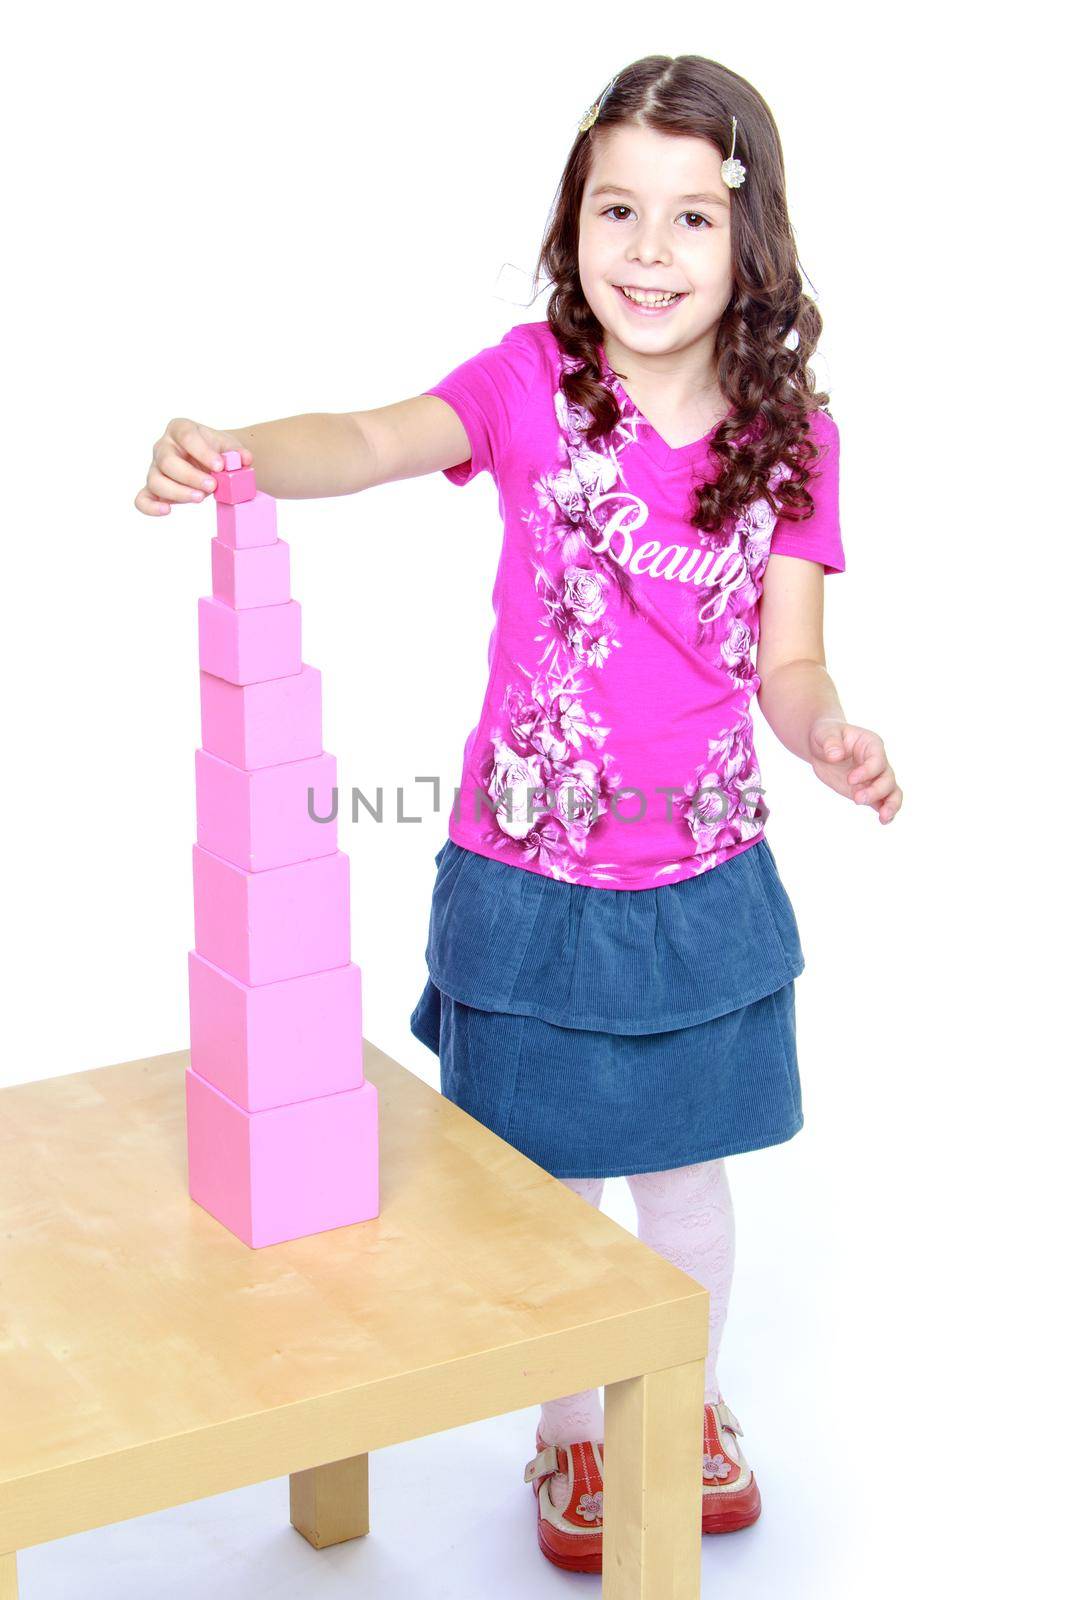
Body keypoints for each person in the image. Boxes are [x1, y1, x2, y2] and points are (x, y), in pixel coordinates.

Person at [135, 51, 902, 1576]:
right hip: (531, 883)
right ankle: (570, 1435)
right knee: (548, 1197)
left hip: (699, 885)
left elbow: (792, 660)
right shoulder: (527, 387)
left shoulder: (790, 438)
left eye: (692, 218)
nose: (649, 250)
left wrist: (829, 738)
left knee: (686, 1180)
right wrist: (239, 448)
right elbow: (361, 439)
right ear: (574, 226)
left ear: (752, 245)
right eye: (618, 210)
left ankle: (673, 1402)